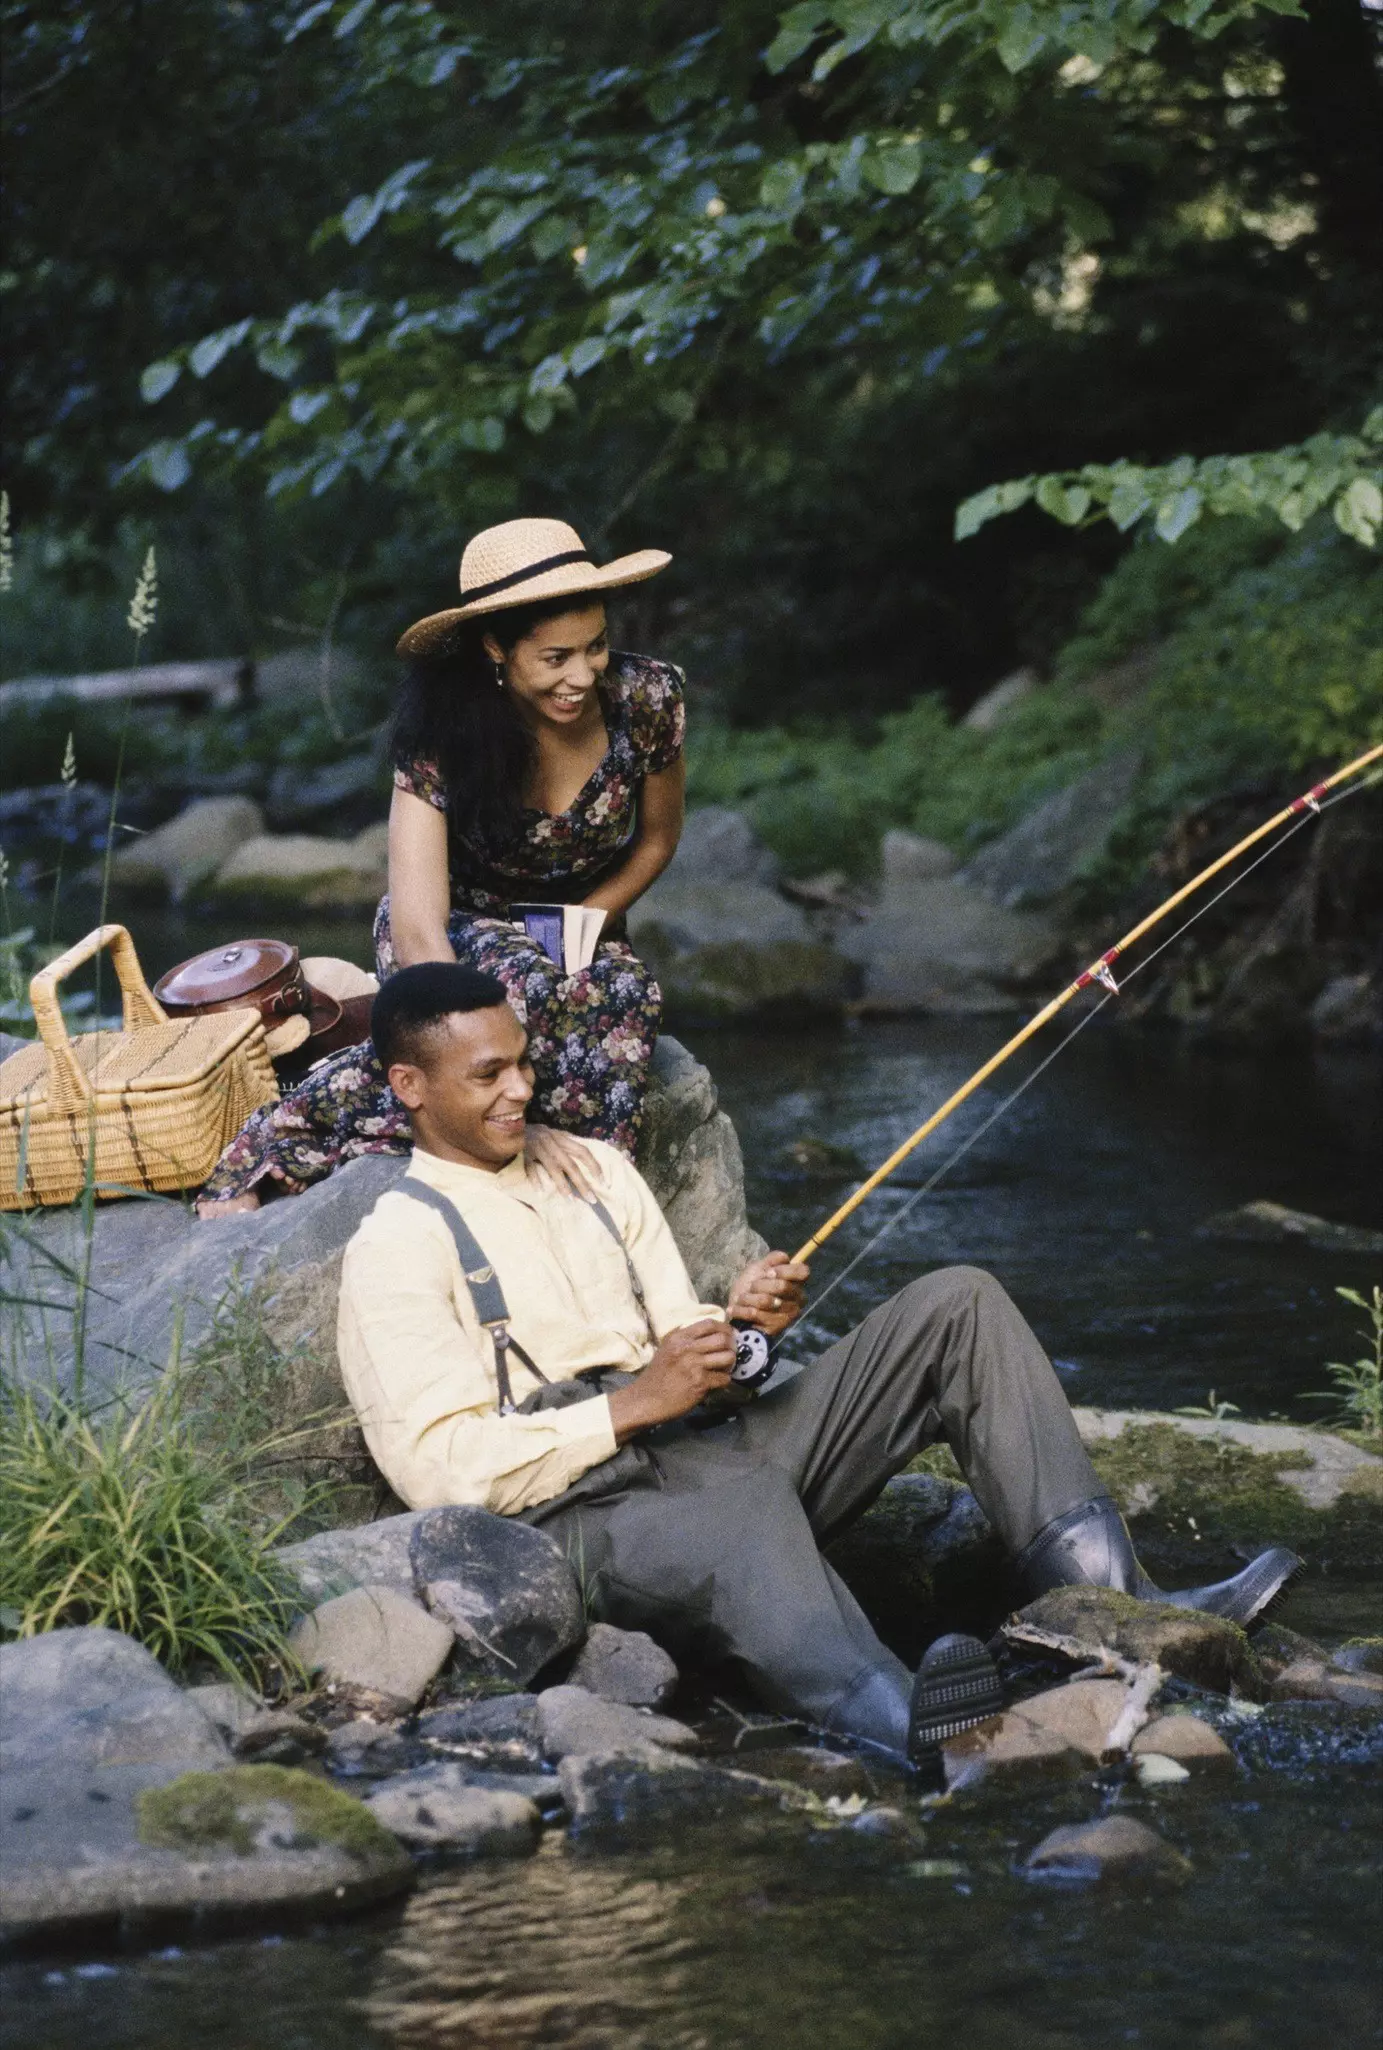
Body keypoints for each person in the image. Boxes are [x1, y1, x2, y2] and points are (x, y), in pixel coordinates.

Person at [335, 963, 1302, 1763]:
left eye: (522, 1066)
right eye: (487, 1076)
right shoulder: (399, 1242)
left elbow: (695, 1351)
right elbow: (436, 1470)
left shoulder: (597, 1171)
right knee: (743, 1508)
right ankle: (900, 1717)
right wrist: (630, 1406)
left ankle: (1117, 1611)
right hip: (578, 1518)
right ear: (409, 1087)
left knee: (957, 1301)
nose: (520, 1091)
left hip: (709, 1446)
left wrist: (745, 1336)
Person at [198, 517, 684, 1216]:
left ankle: (592, 1210)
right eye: (555, 658)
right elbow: (422, 923)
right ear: (495, 648)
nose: (583, 674)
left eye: (596, 647)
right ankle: (281, 1148)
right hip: (452, 931)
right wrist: (497, 1040)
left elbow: (657, 841)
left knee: (625, 997)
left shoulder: (647, 699)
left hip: (577, 925)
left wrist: (584, 923)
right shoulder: (439, 736)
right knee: (523, 1014)